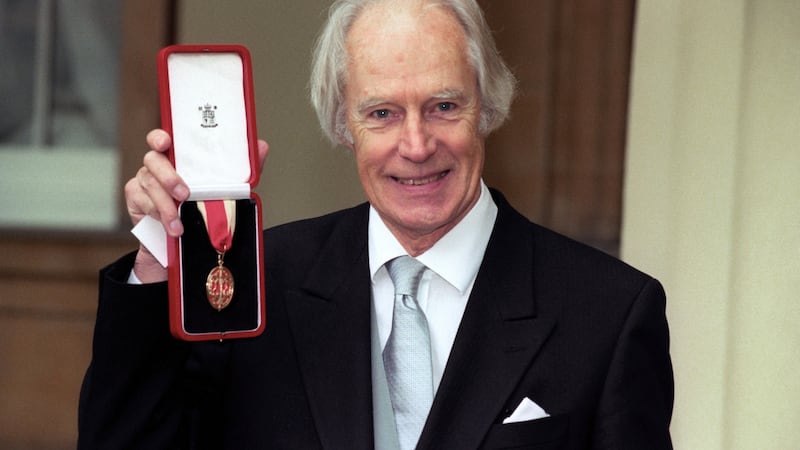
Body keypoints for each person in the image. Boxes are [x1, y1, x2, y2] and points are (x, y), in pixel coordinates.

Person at [78, 0, 674, 448]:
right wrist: (161, 255)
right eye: (382, 113)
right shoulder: (257, 286)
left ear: (487, 106)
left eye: (444, 106)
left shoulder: (611, 312)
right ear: (344, 126)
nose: (416, 146)